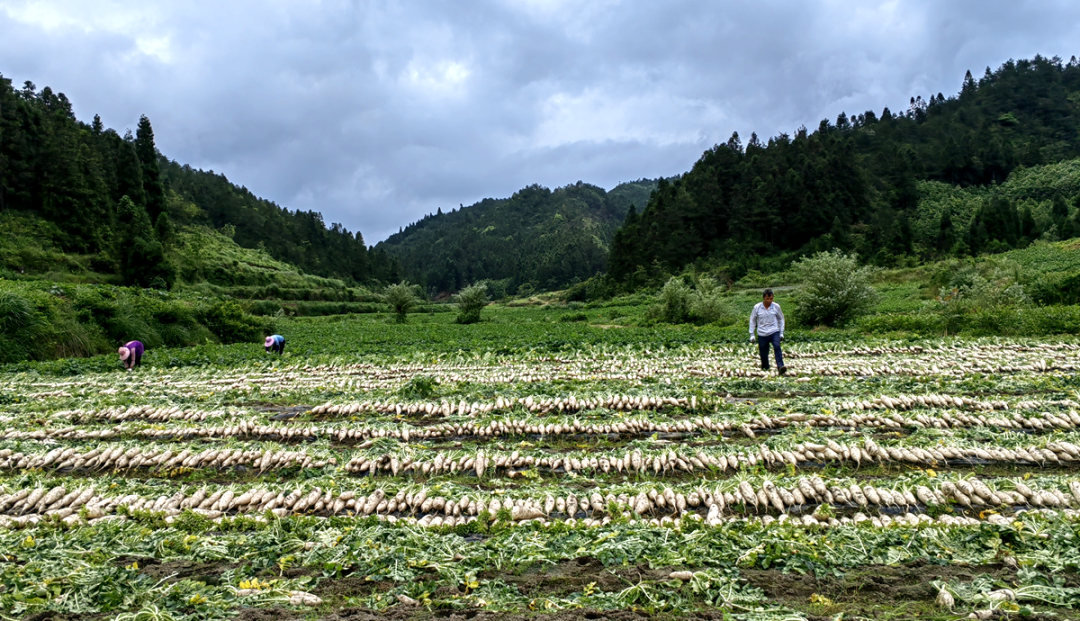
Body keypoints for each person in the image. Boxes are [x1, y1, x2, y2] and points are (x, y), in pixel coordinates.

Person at [749, 289, 786, 375]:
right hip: (762, 333)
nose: (769, 301)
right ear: (763, 298)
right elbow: (752, 320)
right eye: (767, 299)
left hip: (774, 331)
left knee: (777, 346)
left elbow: (781, 319)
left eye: (771, 299)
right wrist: (752, 334)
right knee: (764, 353)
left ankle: (780, 366)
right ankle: (765, 368)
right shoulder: (757, 307)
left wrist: (781, 332)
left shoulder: (776, 306)